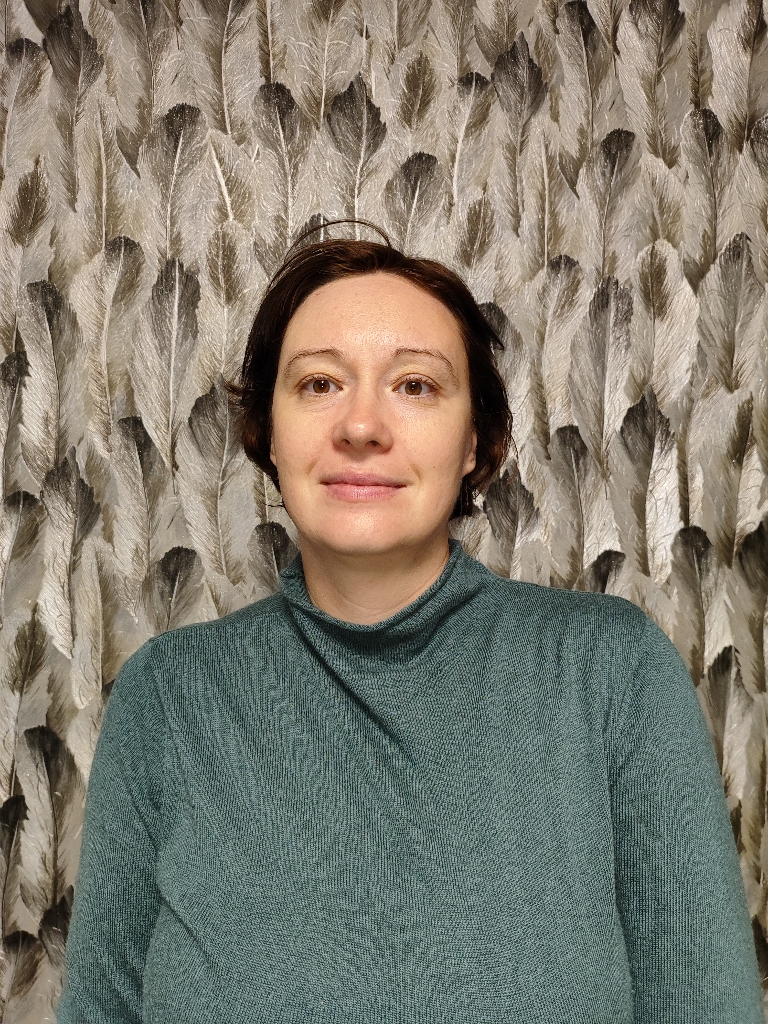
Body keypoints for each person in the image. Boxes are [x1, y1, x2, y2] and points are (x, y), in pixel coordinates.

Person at [56, 225, 765, 1023]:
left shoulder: (611, 673)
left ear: (476, 443)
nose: (361, 425)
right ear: (268, 434)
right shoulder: (167, 697)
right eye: (319, 383)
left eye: (416, 385)